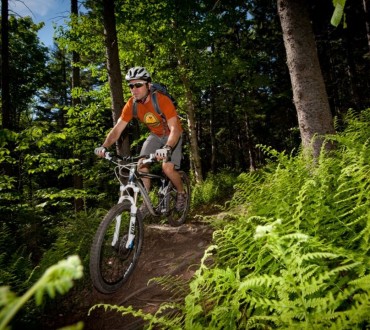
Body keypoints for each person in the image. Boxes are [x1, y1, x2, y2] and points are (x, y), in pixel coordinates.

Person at [94, 66, 186, 211]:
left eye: (138, 85)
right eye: (131, 86)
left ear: (148, 85)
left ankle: (181, 193)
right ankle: (146, 204)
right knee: (141, 165)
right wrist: (104, 146)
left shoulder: (162, 100)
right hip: (156, 135)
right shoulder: (131, 104)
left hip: (172, 135)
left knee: (167, 168)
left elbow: (174, 128)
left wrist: (167, 148)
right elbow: (117, 129)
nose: (134, 89)